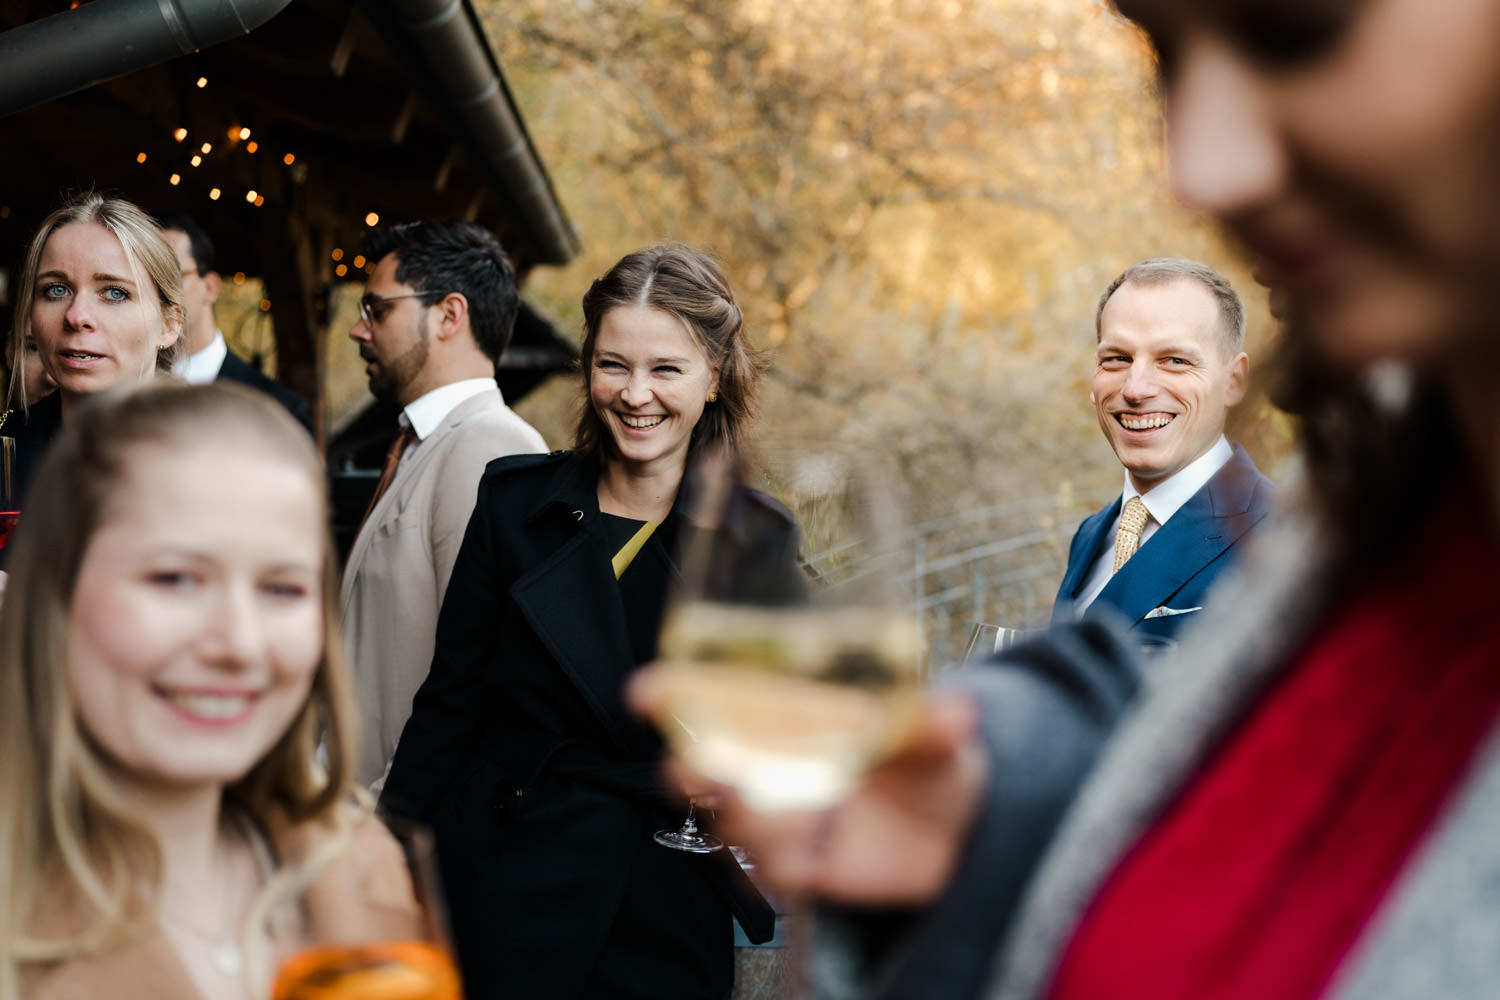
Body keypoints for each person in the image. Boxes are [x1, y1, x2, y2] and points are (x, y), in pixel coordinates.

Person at [634, 1, 1500, 998]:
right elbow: (1241, 749)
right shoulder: (1386, 502)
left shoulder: (1281, 521)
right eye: (1166, 59)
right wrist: (994, 787)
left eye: (1294, 27)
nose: (1200, 168)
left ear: (1230, 375)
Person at [380, 244, 780, 999]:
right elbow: (450, 702)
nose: (636, 395)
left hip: (665, 897)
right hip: (506, 875)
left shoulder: (756, 536)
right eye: (612, 365)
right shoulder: (512, 503)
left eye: (666, 369)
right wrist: (386, 854)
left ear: (716, 376)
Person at [0, 382, 423, 1000]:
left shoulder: (359, 861)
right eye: (175, 578)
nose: (239, 644)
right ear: (54, 598)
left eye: (282, 588)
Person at [338, 220, 547, 787]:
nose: (359, 331)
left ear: (449, 315)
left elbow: (483, 681)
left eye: (376, 310)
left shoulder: (492, 447)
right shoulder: (417, 442)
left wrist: (385, 816)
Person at [1051, 258, 1274, 640]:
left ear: (1234, 382)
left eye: (1174, 361)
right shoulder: (1090, 535)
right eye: (1117, 359)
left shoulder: (1277, 538)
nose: (1136, 389)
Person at [5, 192, 184, 505]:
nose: (76, 317)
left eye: (114, 293)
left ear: (169, 324)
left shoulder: (222, 460)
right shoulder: (8, 450)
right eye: (56, 290)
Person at [151, 211, 314, 433]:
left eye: (171, 277)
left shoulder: (281, 410)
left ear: (210, 287)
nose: (157, 292)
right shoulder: (123, 394)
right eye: (147, 280)